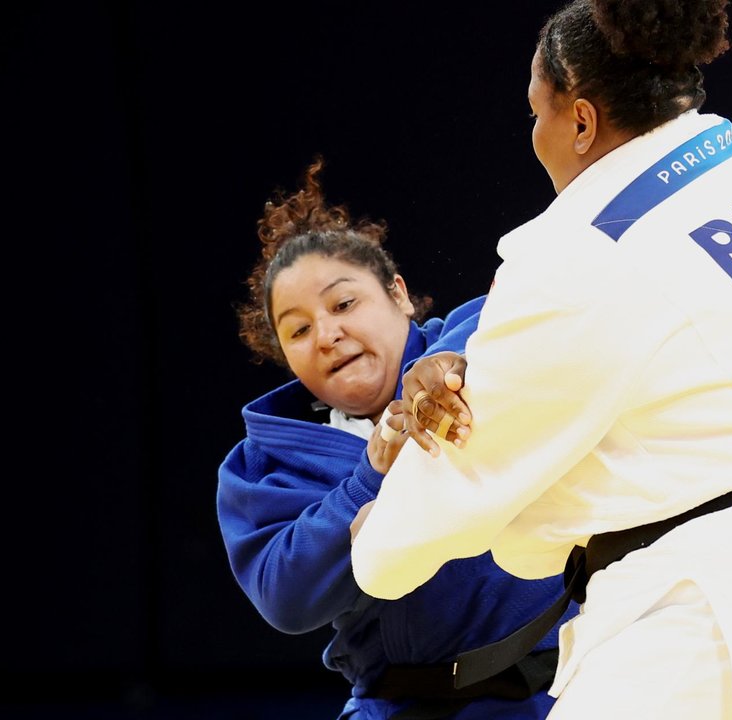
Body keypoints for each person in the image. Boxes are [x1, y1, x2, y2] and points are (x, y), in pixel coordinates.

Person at [349, 1, 732, 718]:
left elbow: (465, 470)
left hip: (712, 629)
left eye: (539, 114)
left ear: (583, 121)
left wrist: (376, 536)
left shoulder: (580, 248)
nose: (535, 135)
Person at [216, 156, 578, 720]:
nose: (329, 335)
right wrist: (370, 476)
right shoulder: (264, 465)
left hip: (585, 685)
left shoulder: (483, 338)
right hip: (415, 707)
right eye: (299, 330)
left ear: (400, 295)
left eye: (343, 304)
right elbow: (284, 596)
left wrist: (447, 373)